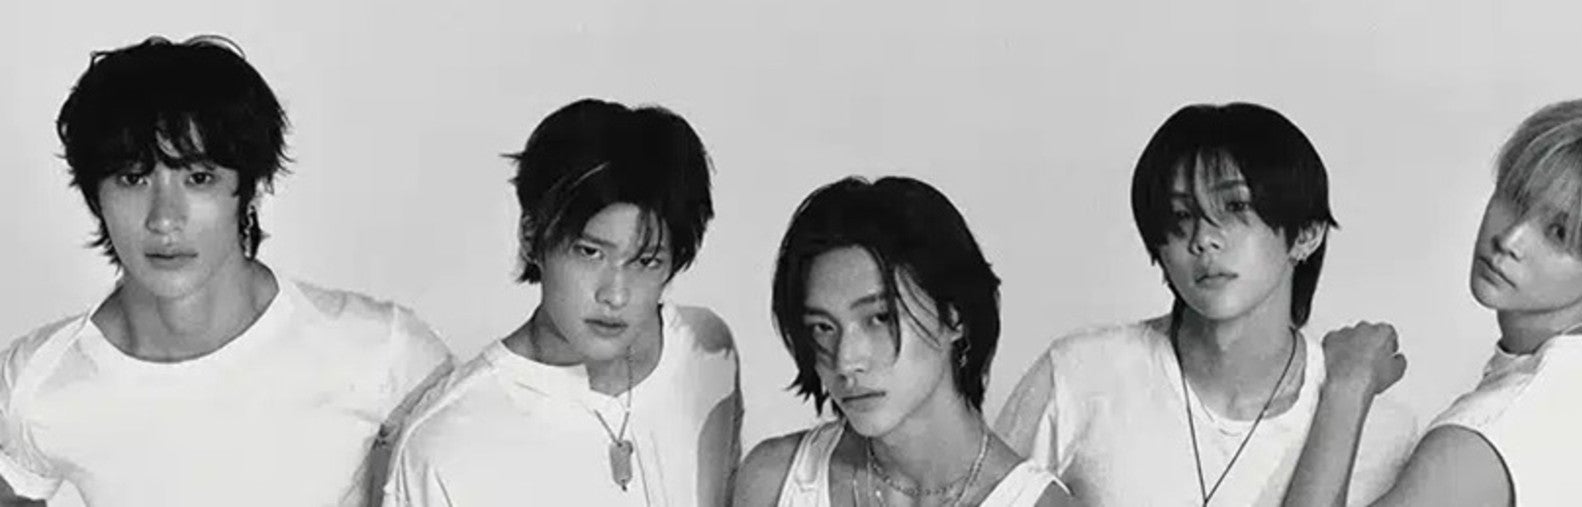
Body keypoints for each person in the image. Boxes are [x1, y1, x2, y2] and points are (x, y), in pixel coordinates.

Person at [0, 35, 453, 506]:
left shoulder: (382, 351)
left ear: (251, 190)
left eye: (199, 179)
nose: (164, 219)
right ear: (96, 196)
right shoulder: (36, 383)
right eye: (133, 179)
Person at [994, 102, 1417, 506]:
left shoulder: (1378, 428)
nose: (1203, 239)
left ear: (1307, 234)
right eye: (1180, 215)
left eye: (1235, 206)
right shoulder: (1080, 376)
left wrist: (1347, 394)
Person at [1287, 98, 1582, 507]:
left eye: (1560, 233)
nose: (1510, 240)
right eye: (1516, 198)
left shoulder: (1483, 440)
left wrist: (1347, 387)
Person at [384, 99, 741, 506]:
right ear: (531, 237)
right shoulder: (445, 442)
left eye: (646, 261)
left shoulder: (705, 352)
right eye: (590, 252)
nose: (615, 295)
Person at [733, 176, 1070, 507]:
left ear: (955, 317)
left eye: (880, 318)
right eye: (823, 327)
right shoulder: (774, 481)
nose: (846, 361)